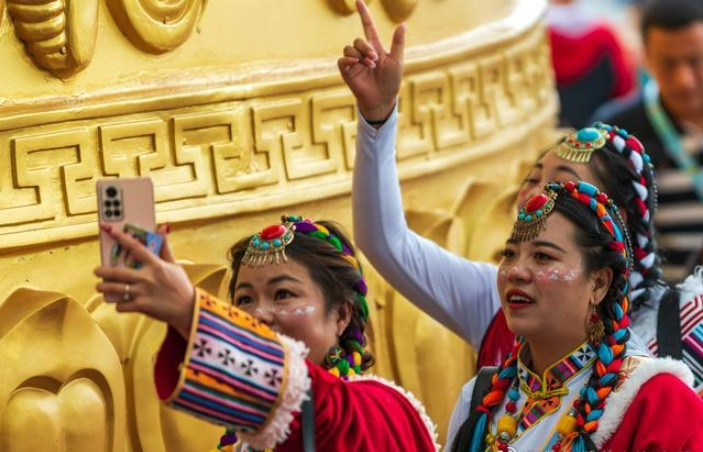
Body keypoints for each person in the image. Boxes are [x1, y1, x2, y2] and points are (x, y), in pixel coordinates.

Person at [339, 0, 703, 394]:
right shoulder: (503, 298)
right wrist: (377, 117)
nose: (534, 195)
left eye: (560, 183)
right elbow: (386, 242)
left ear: (617, 220)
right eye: (531, 179)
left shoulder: (683, 321)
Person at [94, 215, 439, 451]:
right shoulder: (247, 439)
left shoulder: (377, 409)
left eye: (283, 294)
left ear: (341, 315)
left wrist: (188, 311)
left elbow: (310, 401)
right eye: (244, 299)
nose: (258, 315)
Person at [447, 181, 703, 451]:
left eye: (543, 256)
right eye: (509, 254)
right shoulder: (478, 399)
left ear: (599, 283)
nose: (515, 271)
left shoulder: (658, 403)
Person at [592, 0, 703, 280]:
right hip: (658, 301)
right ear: (645, 59)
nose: (684, 80)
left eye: (695, 60)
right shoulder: (616, 135)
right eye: (668, 63)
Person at [548, 0, 635, 127]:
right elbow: (624, 89)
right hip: (604, 129)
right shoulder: (605, 36)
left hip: (559, 129)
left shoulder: (539, 42)